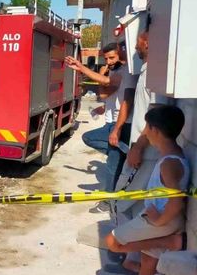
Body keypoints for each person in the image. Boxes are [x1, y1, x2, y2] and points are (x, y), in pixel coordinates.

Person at [113, 30, 175, 272]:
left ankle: (132, 258)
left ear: (147, 42)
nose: (134, 48)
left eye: (137, 42)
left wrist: (137, 148)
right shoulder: (149, 71)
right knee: (139, 207)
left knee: (120, 201)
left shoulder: (156, 74)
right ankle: (135, 260)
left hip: (146, 153)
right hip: (146, 151)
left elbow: (156, 117)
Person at [105, 105, 189, 275]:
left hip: (160, 220)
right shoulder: (174, 154)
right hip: (158, 216)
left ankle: (169, 242)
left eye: (146, 128)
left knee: (112, 242)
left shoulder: (169, 163)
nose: (145, 133)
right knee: (148, 261)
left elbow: (177, 202)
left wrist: (158, 221)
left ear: (155, 130)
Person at [65, 43, 137, 207]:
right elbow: (108, 93)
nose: (109, 61)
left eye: (112, 57)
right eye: (106, 59)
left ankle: (108, 201)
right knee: (96, 144)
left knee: (112, 166)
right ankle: (122, 155)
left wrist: (82, 68)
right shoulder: (118, 71)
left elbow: (118, 96)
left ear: (121, 52)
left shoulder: (128, 72)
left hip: (121, 123)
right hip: (113, 122)